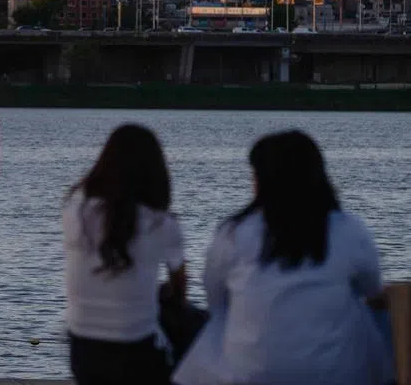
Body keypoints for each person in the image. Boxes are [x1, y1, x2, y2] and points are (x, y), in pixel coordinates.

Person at [174, 131, 393, 385]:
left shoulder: (233, 233)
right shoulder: (349, 229)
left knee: (221, 324)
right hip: (333, 374)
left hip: (248, 374)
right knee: (374, 314)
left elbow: (216, 300)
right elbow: (372, 289)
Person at [64, 124, 186, 385]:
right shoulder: (161, 224)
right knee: (195, 323)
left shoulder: (75, 212)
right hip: (137, 355)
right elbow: (180, 290)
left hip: (83, 352)